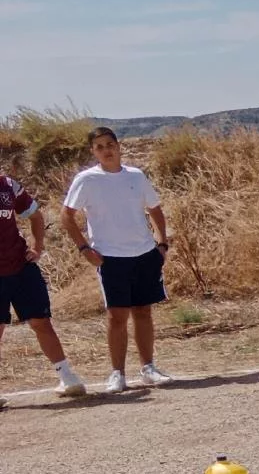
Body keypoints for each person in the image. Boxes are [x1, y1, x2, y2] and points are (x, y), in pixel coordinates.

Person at [61, 127, 175, 393]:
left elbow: (155, 209)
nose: (106, 150)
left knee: (144, 311)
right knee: (117, 316)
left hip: (144, 253)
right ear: (93, 151)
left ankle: (148, 368)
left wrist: (162, 243)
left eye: (109, 144)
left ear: (118, 146)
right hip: (110, 257)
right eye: (99, 147)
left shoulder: (136, 175)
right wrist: (84, 248)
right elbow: (67, 216)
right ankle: (117, 374)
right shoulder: (86, 180)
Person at [0, 171, 88, 400]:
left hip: (20, 267)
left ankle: (66, 377)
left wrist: (37, 246)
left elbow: (35, 215)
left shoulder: (8, 184)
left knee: (41, 322)